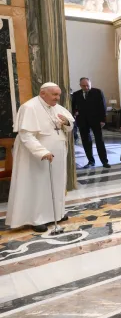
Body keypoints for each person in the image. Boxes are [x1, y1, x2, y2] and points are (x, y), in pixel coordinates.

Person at [6, 83, 75, 232]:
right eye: (54, 95)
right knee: (38, 185)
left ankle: (56, 213)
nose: (58, 98)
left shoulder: (56, 107)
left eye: (58, 95)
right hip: (36, 157)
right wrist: (41, 152)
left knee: (56, 184)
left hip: (57, 155)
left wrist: (66, 122)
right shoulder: (29, 107)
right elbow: (26, 135)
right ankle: (36, 218)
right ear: (43, 93)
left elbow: (70, 124)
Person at [71, 77, 109, 168]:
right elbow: (73, 107)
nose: (86, 87)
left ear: (90, 84)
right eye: (84, 86)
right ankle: (91, 161)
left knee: (99, 140)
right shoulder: (76, 94)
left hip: (96, 120)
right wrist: (75, 112)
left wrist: (103, 120)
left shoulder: (98, 92)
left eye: (88, 85)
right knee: (86, 141)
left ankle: (104, 161)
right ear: (80, 85)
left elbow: (103, 106)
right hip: (82, 121)